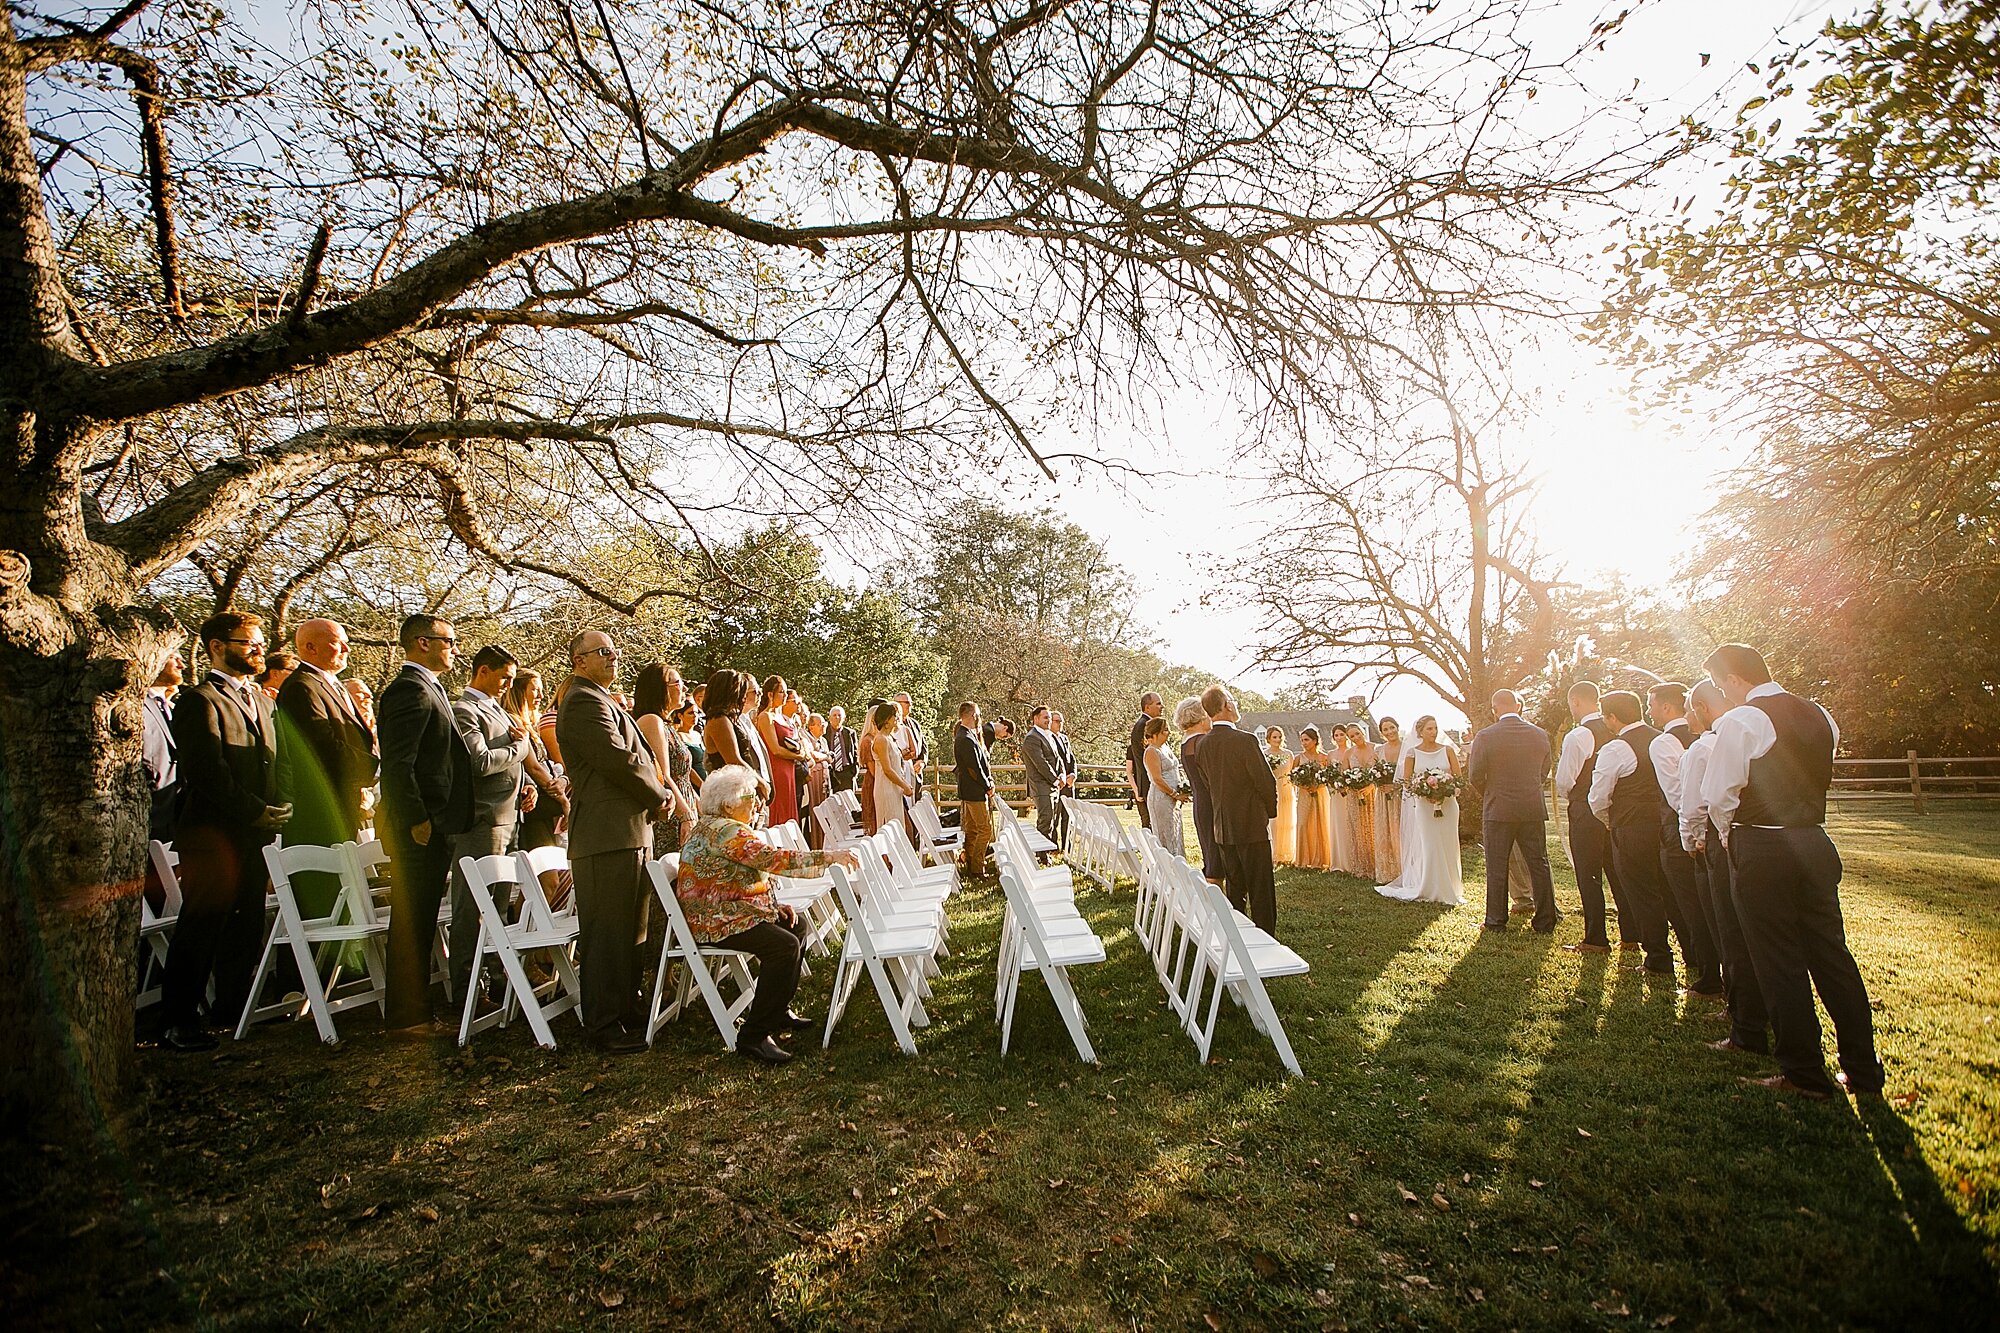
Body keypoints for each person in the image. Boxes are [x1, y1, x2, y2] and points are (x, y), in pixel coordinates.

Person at [1702, 643, 1882, 1100]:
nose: (1725, 692)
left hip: (1762, 843)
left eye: (1724, 684)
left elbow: (1720, 792)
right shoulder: (1821, 714)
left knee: (1778, 959)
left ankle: (1803, 1072)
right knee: (1832, 955)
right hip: (1813, 841)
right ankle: (1864, 1070)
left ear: (1734, 679)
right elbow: (1821, 773)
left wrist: (1728, 836)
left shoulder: (1742, 720)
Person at [159, 613, 291, 1051]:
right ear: (217, 646)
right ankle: (178, 1019)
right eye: (248, 643)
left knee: (247, 920)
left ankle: (233, 1007)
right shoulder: (199, 700)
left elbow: (279, 759)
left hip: (256, 832)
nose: (258, 650)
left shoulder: (265, 701)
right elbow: (206, 772)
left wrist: (280, 802)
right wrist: (255, 811)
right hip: (212, 834)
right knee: (202, 922)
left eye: (258, 644)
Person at [676, 765, 861, 1064]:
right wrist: (829, 856)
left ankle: (777, 1011)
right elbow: (773, 860)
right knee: (783, 946)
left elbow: (741, 880)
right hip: (715, 921)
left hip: (730, 910)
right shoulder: (726, 830)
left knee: (796, 925)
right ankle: (753, 1035)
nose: (758, 803)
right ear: (728, 804)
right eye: (751, 796)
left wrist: (772, 907)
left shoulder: (716, 825)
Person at [558, 630, 672, 1054]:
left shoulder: (605, 699)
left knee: (632, 929)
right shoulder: (584, 701)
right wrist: (659, 795)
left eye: (615, 650)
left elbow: (640, 759)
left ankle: (626, 1008)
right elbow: (618, 760)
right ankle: (603, 1024)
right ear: (579, 662)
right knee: (606, 932)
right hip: (605, 835)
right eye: (602, 652)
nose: (613, 657)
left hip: (630, 829)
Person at [377, 614, 474, 1034]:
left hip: (438, 822)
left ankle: (415, 1009)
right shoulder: (408, 691)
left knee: (423, 917)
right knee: (413, 919)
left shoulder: (430, 688)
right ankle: (408, 1016)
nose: (454, 648)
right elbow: (399, 766)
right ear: (421, 643)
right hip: (420, 826)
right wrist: (418, 820)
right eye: (448, 641)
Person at [1679, 680, 1770, 1057]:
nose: (1688, 715)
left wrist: (1695, 838)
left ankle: (1743, 1018)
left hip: (1720, 840)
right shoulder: (1759, 731)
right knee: (1755, 931)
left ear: (1701, 707)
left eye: (1689, 708)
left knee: (1728, 930)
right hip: (1763, 836)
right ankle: (1756, 1009)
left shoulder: (1703, 747)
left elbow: (1701, 802)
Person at [275, 618, 379, 918]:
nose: (346, 648)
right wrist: (374, 771)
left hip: (344, 803)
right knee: (319, 903)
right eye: (337, 641)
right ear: (310, 647)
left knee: (341, 898)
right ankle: (303, 966)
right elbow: (325, 748)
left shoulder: (331, 685)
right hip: (318, 812)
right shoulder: (301, 687)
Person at [446, 645, 532, 1005]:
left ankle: (497, 979)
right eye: (504, 678)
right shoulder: (465, 710)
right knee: (471, 906)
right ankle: (467, 988)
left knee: (499, 906)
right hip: (484, 821)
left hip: (510, 818)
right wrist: (520, 750)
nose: (507, 686)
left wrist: (525, 784)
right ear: (483, 671)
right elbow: (478, 762)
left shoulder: (497, 708)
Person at [1588, 690, 1676, 978]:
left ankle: (1658, 958)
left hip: (1632, 827)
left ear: (1613, 717)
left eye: (1605, 716)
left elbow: (1598, 797)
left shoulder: (1616, 749)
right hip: (1666, 825)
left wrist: (1610, 821)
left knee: (1642, 893)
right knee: (1672, 892)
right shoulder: (1664, 738)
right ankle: (1695, 954)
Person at [1649, 682, 1724, 996]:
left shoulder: (1664, 742)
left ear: (1667, 707)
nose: (1648, 711)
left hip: (1689, 832)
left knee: (1694, 907)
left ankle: (1708, 976)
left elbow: (1679, 795)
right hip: (1719, 828)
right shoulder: (1717, 733)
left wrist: (1694, 834)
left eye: (1651, 704)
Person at [1467, 690, 1557, 933]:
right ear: (1518, 706)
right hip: (1531, 807)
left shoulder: (1485, 736)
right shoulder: (1540, 735)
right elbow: (1544, 770)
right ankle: (1546, 920)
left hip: (1498, 809)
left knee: (1497, 865)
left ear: (1494, 709)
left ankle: (1496, 921)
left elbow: (1475, 775)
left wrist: (1492, 792)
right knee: (1539, 863)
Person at [1189, 686, 1278, 931]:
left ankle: (1237, 934)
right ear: (1226, 705)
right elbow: (1264, 781)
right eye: (1233, 700)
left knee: (1235, 887)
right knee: (1261, 888)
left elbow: (1208, 785)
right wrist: (1268, 812)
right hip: (1250, 824)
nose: (1236, 704)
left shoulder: (1202, 745)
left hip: (1222, 827)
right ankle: (1267, 936)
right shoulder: (1245, 740)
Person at [1555, 681, 1624, 954]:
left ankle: (1596, 938)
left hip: (1586, 810)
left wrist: (1575, 795)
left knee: (1588, 873)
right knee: (1618, 872)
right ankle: (1630, 934)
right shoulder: (1615, 729)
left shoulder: (1578, 735)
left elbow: (1564, 781)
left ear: (1575, 701)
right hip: (1617, 810)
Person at [1377, 717, 1463, 906]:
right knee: (1430, 845)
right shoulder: (1412, 753)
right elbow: (1406, 782)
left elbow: (1458, 778)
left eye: (1435, 728)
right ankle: (1430, 886)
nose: (1433, 732)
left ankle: (1451, 886)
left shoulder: (1447, 750)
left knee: (1448, 843)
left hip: (1448, 804)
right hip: (1424, 806)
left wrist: (1445, 790)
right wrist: (1425, 793)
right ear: (1420, 732)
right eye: (1429, 729)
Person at [632, 665, 698, 854]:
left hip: (684, 808)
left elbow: (683, 777)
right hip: (672, 816)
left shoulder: (666, 725)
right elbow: (664, 775)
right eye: (678, 683)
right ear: (660, 689)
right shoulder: (651, 721)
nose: (684, 689)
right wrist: (686, 815)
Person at [701, 670, 770, 802]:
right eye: (741, 690)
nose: (744, 696)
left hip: (740, 789)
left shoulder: (729, 719)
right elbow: (733, 760)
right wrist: (761, 783)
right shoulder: (718, 720)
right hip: (729, 794)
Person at [1177, 697, 1221, 889]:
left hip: (1201, 801)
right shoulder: (1200, 741)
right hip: (1211, 801)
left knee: (1211, 852)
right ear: (1202, 715)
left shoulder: (1187, 740)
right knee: (1215, 854)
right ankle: (1218, 904)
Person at [142, 643, 184, 845]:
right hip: (149, 817)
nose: (181, 664)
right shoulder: (134, 704)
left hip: (176, 819)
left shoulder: (172, 707)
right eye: (174, 657)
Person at [953, 701, 996, 876]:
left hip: (971, 790)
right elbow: (974, 769)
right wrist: (987, 785)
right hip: (974, 791)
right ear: (973, 716)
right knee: (985, 829)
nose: (979, 718)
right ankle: (977, 867)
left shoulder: (967, 735)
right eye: (978, 714)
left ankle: (970, 861)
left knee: (972, 829)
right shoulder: (965, 739)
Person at [865, 700, 915, 835]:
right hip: (886, 788)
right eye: (894, 716)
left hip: (894, 788)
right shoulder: (881, 740)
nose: (897, 718)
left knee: (898, 825)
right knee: (889, 826)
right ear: (886, 720)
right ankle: (886, 856)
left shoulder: (889, 738)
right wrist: (904, 785)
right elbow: (887, 769)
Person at [1142, 717, 1186, 858]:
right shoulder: (1151, 752)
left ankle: (1179, 865)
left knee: (1175, 832)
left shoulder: (1165, 748)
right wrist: (1174, 794)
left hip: (1173, 798)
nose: (1169, 733)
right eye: (1165, 730)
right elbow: (1157, 779)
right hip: (1161, 798)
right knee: (1165, 834)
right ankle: (1167, 869)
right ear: (1155, 733)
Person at [1290, 726, 1333, 872]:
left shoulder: (1324, 758)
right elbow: (1292, 778)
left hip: (1320, 793)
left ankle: (1322, 859)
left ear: (1315, 741)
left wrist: (1318, 785)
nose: (1304, 743)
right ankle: (1303, 859)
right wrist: (1303, 785)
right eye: (1302, 740)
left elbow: (1329, 777)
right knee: (1303, 824)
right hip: (1304, 794)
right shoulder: (1298, 758)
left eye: (1306, 740)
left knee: (1321, 823)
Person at [1021, 704, 1063, 843]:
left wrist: (1062, 774)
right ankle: (1042, 854)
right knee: (1045, 819)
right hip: (1041, 786)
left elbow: (1058, 758)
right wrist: (1055, 780)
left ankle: (1048, 849)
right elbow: (1041, 763)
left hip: (1053, 785)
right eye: (1045, 717)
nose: (1049, 720)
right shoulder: (1032, 738)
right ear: (1036, 718)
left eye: (1050, 718)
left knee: (1052, 820)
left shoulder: (1050, 735)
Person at [1126, 692, 1164, 829]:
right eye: (1158, 703)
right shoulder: (1144, 725)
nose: (1162, 706)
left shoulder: (1146, 724)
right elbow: (1145, 759)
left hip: (1150, 781)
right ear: (1147, 707)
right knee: (1152, 824)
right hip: (1149, 783)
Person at [1373, 717, 1404, 882]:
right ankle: (1388, 870)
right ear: (1382, 732)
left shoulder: (1408, 748)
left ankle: (1404, 868)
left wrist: (1397, 786)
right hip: (1383, 796)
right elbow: (1373, 773)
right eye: (1385, 729)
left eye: (1392, 727)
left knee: (1400, 831)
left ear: (1398, 727)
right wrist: (1380, 783)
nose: (1390, 732)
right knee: (1385, 830)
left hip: (1402, 796)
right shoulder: (1379, 750)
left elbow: (1411, 773)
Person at [1346, 725, 1379, 881]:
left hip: (1374, 794)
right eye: (1352, 736)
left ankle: (1377, 865)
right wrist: (1353, 785)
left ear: (1363, 732)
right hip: (1355, 796)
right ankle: (1362, 866)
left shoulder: (1377, 749)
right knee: (1359, 831)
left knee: (1374, 828)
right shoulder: (1349, 753)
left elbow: (1382, 772)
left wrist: (1370, 786)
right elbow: (1343, 775)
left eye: (1357, 733)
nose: (1356, 738)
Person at [1326, 725, 1357, 874]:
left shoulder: (1352, 752)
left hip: (1351, 791)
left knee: (1350, 824)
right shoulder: (1330, 754)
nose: (1339, 737)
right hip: (1337, 794)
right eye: (1336, 735)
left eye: (1341, 734)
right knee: (1338, 825)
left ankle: (1353, 861)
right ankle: (1339, 861)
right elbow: (1328, 775)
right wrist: (1334, 785)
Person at [1263, 726, 1295, 866]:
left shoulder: (1288, 754)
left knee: (1288, 821)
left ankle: (1287, 853)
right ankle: (1274, 854)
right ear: (1268, 739)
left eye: (1279, 737)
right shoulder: (1264, 754)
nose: (1277, 740)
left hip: (1286, 788)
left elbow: (1293, 773)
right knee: (1274, 823)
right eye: (1274, 737)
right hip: (1273, 788)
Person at [1050, 709, 1079, 847]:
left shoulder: (1064, 738)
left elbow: (1072, 759)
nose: (1059, 724)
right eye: (1056, 721)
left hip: (1069, 782)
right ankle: (1053, 845)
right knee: (1055, 816)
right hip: (1057, 782)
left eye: (1061, 721)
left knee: (1068, 816)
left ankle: (1066, 845)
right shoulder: (1048, 738)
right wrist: (1060, 778)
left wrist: (1073, 774)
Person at [894, 692, 929, 798]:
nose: (910, 705)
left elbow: (923, 746)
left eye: (910, 703)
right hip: (901, 775)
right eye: (906, 702)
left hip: (917, 774)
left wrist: (922, 762)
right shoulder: (892, 726)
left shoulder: (915, 724)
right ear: (897, 704)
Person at [825, 705, 859, 793]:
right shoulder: (824, 733)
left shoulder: (850, 733)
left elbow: (856, 753)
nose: (837, 717)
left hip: (847, 772)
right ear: (829, 718)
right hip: (831, 773)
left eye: (839, 715)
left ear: (844, 718)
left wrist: (854, 772)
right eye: (834, 715)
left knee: (849, 802)